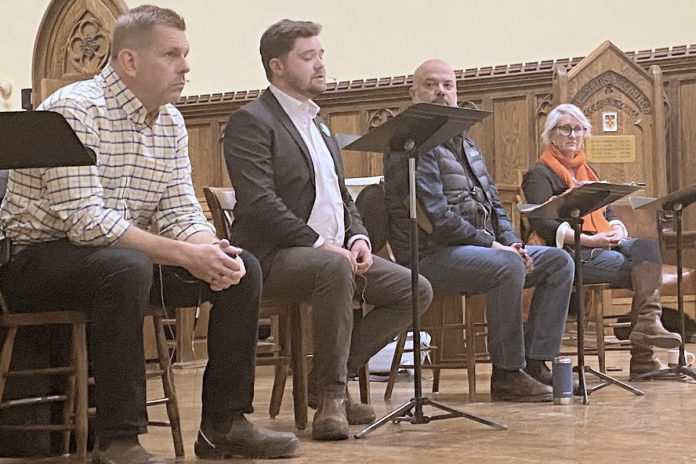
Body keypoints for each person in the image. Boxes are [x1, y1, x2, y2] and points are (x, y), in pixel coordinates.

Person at [0, 5, 299, 463]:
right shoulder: (75, 110)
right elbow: (86, 222)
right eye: (172, 54)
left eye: (185, 54)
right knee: (125, 267)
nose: (186, 66)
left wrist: (206, 247)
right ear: (129, 61)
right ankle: (118, 440)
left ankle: (224, 425)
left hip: (118, 257)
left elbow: (179, 209)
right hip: (37, 260)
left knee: (242, 267)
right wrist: (182, 253)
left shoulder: (171, 121)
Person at [223, 19, 433, 440]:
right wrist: (321, 244)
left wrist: (357, 237)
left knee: (414, 289)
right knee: (333, 270)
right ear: (277, 66)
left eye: (321, 55)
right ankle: (333, 400)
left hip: (329, 252)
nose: (320, 64)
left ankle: (324, 379)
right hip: (271, 256)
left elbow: (341, 196)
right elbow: (261, 204)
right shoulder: (251, 121)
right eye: (308, 57)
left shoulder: (318, 123)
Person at [383, 59, 576, 402]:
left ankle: (535, 363)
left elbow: (495, 206)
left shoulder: (467, 145)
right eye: (431, 85)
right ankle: (506, 374)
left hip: (480, 250)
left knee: (559, 261)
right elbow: (436, 217)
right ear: (413, 93)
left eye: (448, 84)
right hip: (430, 255)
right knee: (507, 266)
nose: (441, 91)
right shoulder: (410, 144)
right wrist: (494, 247)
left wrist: (513, 242)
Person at [521, 103, 682, 380]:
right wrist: (590, 240)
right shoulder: (539, 173)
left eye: (579, 129)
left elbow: (607, 211)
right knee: (640, 268)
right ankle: (643, 356)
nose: (573, 134)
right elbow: (543, 223)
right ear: (551, 134)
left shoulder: (588, 170)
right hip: (568, 252)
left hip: (602, 242)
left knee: (646, 248)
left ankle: (647, 323)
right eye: (566, 128)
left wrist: (617, 228)